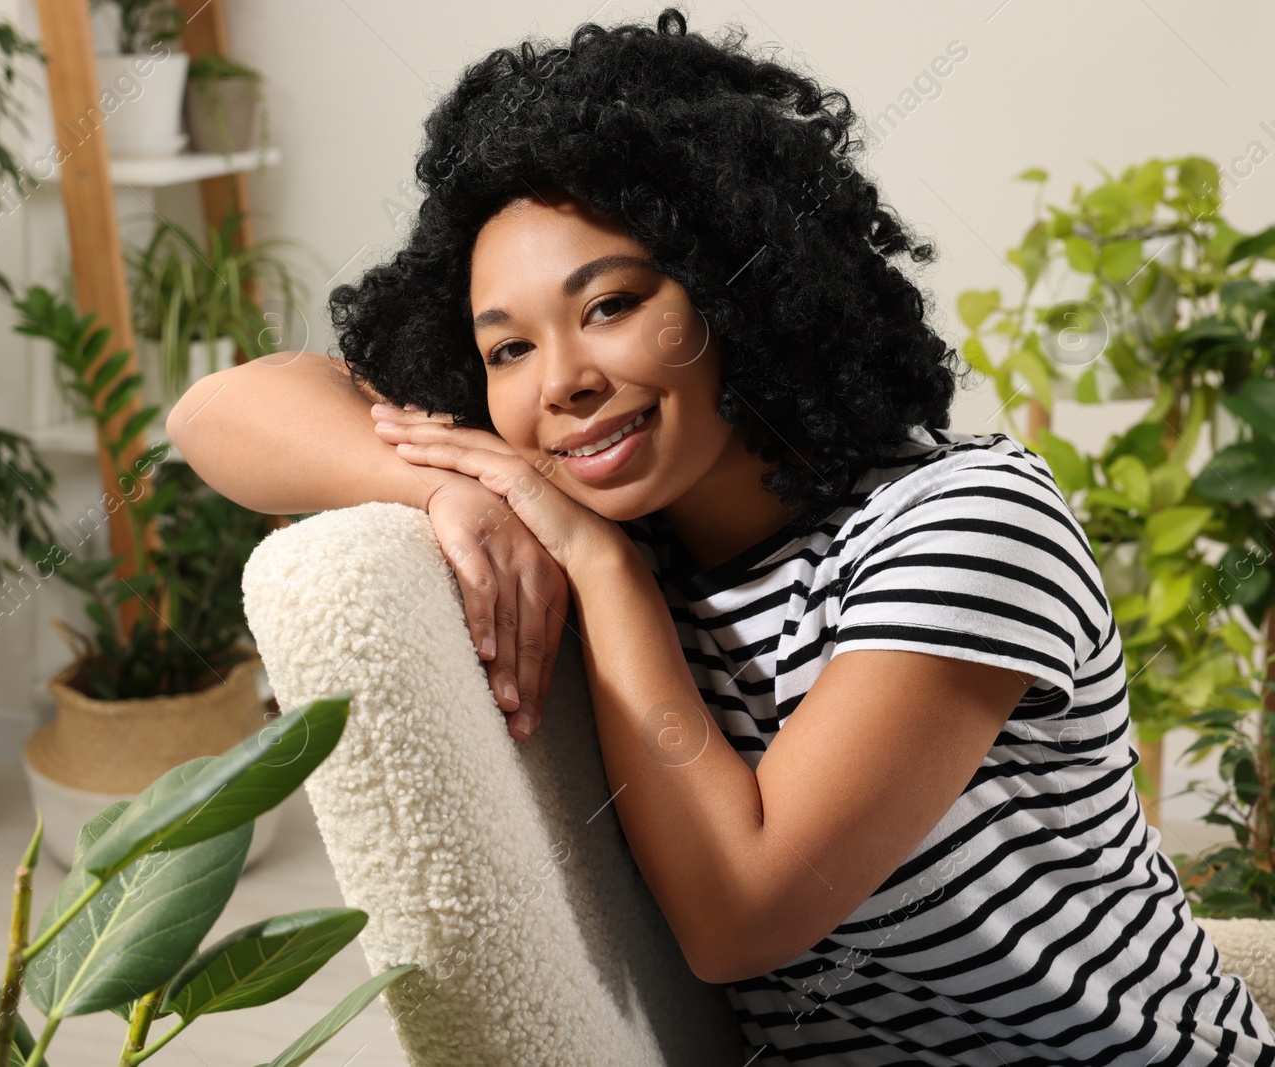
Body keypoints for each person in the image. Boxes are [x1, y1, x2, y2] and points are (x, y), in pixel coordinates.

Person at [167, 8, 1275, 1064]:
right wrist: (445, 485)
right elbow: (212, 414)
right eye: (506, 349)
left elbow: (741, 915)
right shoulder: (616, 513)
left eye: (610, 304)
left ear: (741, 285)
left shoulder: (967, 524)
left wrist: (602, 570)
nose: (562, 381)